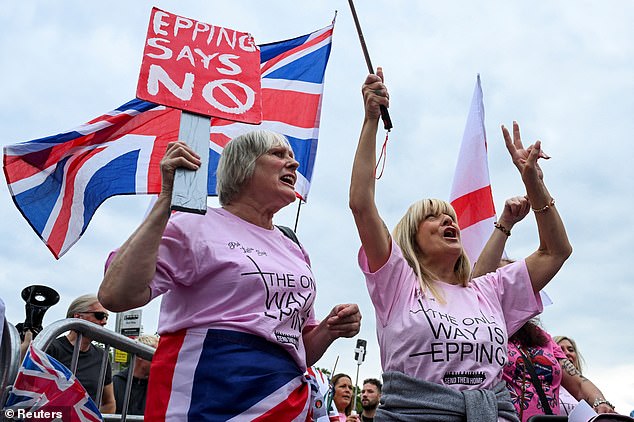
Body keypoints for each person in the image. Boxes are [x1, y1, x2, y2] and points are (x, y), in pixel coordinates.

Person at [349, 67, 572, 420]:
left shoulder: (491, 290)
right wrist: (371, 119)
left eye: (450, 216)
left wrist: (533, 181)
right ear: (411, 238)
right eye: (433, 216)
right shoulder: (397, 282)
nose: (448, 221)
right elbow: (362, 204)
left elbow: (555, 252)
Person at [98, 130, 362, 420]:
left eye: (291, 156)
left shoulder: (294, 248)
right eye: (278, 154)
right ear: (243, 166)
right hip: (207, 399)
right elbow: (116, 295)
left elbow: (299, 350)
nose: (294, 163)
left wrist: (329, 330)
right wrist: (166, 200)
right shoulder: (195, 223)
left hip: (284, 403)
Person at [474, 199, 617, 420]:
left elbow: (579, 384)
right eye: (503, 283)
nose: (512, 289)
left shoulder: (543, 338)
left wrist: (600, 403)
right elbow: (479, 279)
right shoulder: (480, 334)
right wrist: (505, 223)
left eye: (517, 282)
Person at [46, 294, 115, 414]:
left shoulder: (102, 356)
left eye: (106, 317)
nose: (104, 322)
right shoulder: (52, 349)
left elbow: (109, 403)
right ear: (78, 317)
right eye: (99, 315)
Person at [112, 334, 158, 415]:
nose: (159, 361)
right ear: (141, 355)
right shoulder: (115, 383)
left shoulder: (157, 385)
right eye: (154, 356)